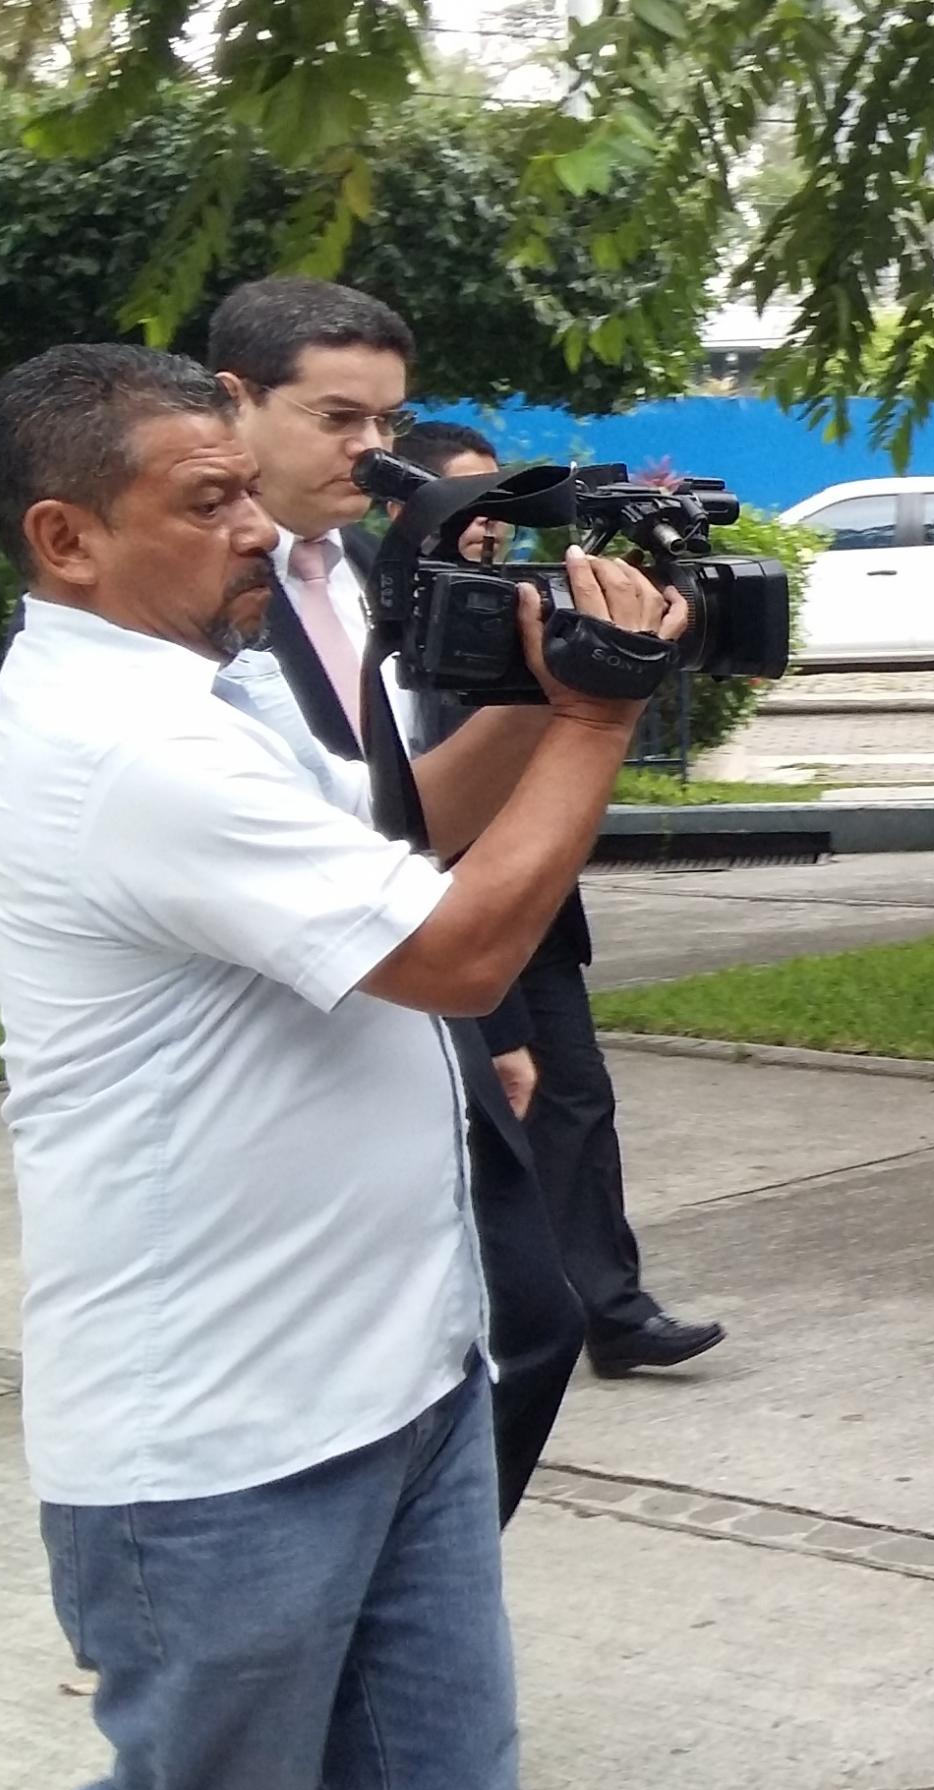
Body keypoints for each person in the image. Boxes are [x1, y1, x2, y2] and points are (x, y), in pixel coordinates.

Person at [0, 342, 686, 1790]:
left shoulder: (206, 694)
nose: (253, 528)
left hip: (399, 1377)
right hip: (227, 1440)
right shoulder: (128, 749)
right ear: (64, 537)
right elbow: (455, 948)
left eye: (245, 491)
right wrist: (599, 726)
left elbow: (399, 835)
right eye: (207, 499)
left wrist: (546, 689)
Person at [204, 277, 588, 1520]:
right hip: (280, 1042)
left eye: (387, 422)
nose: (371, 453)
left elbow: (406, 814)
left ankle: (424, 1594)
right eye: (337, 419)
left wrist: (503, 1020)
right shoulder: (179, 602)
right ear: (234, 402)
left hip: (426, 986)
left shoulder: (378, 566)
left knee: (531, 1315)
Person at [390, 419, 727, 1377]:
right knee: (493, 1111)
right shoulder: (380, 618)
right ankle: (501, 1318)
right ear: (406, 509)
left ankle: (613, 1313)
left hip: (535, 907)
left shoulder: (530, 602)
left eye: (499, 505)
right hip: (433, 907)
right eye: (468, 503)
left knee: (577, 1102)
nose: (490, 526)